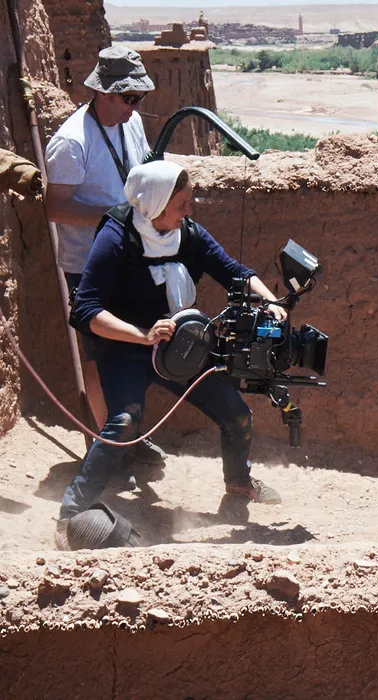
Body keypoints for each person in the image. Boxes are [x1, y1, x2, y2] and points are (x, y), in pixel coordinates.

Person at [54, 161, 286, 549]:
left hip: (180, 348)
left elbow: (233, 271)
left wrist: (270, 301)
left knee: (237, 415)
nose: (187, 211)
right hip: (126, 349)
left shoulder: (187, 234)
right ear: (155, 204)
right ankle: (69, 515)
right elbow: (86, 310)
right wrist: (142, 335)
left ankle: (238, 482)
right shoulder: (116, 237)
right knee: (123, 423)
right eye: (180, 204)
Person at [44, 46, 163, 483]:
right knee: (99, 358)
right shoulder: (72, 141)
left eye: (140, 98)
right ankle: (107, 449)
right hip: (89, 265)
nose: (136, 107)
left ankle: (128, 435)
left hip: (130, 259)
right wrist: (112, 219)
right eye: (130, 98)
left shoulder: (129, 124)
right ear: (104, 94)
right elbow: (55, 208)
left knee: (134, 350)